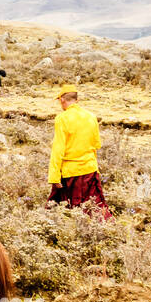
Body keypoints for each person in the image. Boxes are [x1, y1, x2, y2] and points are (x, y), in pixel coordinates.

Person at [47, 84, 110, 219]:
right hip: (90, 170)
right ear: (77, 100)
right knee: (96, 210)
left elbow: (58, 149)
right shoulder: (91, 116)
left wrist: (54, 176)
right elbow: (96, 144)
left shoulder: (62, 118)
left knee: (64, 211)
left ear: (62, 100)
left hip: (70, 173)